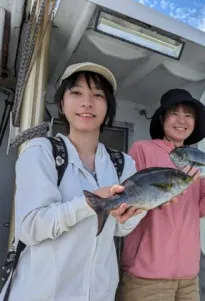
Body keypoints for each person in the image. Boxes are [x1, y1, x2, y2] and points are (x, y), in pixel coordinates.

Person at [0, 62, 146, 301]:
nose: (87, 102)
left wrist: (139, 209)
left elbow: (120, 228)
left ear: (108, 107)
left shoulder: (123, 163)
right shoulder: (40, 151)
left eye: (98, 95)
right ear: (62, 103)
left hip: (100, 293)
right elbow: (30, 228)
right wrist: (89, 204)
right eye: (76, 93)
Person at [117, 88, 205, 301]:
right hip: (146, 275)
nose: (181, 120)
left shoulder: (197, 158)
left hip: (189, 275)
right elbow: (131, 200)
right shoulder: (142, 149)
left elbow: (200, 209)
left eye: (188, 115)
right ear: (162, 118)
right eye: (175, 113)